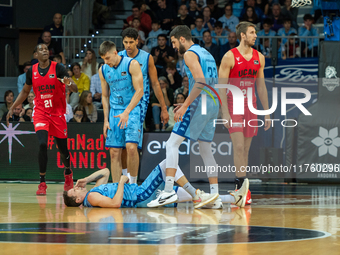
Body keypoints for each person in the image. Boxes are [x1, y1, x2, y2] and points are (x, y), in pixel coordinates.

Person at [148, 25, 225, 209]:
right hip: (213, 103)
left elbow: (200, 81)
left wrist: (185, 104)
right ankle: (215, 196)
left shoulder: (190, 53)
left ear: (181, 39)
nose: (173, 47)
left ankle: (167, 191)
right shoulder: (206, 53)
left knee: (172, 144)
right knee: (206, 149)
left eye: (174, 42)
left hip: (200, 102)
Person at [6, 43, 78, 195]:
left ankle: (68, 173)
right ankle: (42, 183)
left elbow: (74, 87)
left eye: (46, 49)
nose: (45, 51)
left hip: (57, 114)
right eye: (41, 49)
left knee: (63, 150)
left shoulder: (58, 67)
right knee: (42, 144)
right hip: (40, 113)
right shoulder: (32, 71)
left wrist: (69, 83)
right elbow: (25, 91)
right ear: (36, 55)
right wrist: (13, 107)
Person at [218, 21, 271, 205]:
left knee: (246, 150)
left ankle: (243, 190)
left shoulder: (259, 58)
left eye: (255, 32)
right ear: (242, 35)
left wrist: (266, 112)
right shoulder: (229, 57)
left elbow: (261, 87)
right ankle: (240, 187)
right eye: (251, 32)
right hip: (234, 105)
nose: (255, 35)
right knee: (239, 147)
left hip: (251, 106)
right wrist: (224, 111)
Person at [63, 159, 249, 208]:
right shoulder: (93, 197)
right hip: (140, 194)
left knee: (194, 198)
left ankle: (234, 199)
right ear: (78, 200)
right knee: (168, 163)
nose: (75, 188)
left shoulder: (93, 191)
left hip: (142, 194)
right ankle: (197, 194)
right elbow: (115, 204)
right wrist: (121, 182)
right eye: (73, 191)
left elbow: (105, 172)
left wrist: (86, 179)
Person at [118, 28, 169, 183]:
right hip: (120, 104)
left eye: (131, 42)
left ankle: (132, 183)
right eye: (125, 42)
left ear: (138, 40)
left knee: (131, 146)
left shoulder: (146, 58)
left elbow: (155, 83)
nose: (128, 45)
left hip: (139, 104)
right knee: (121, 147)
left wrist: (164, 108)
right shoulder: (118, 57)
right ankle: (124, 180)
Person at [98, 40, 144, 184]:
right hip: (114, 113)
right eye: (103, 59)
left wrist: (127, 111)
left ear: (115, 52)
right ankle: (117, 187)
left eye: (107, 58)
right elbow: (105, 96)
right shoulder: (103, 69)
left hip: (132, 109)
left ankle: (133, 184)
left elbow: (140, 91)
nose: (106, 62)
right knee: (114, 152)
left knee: (130, 148)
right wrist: (105, 120)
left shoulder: (132, 64)